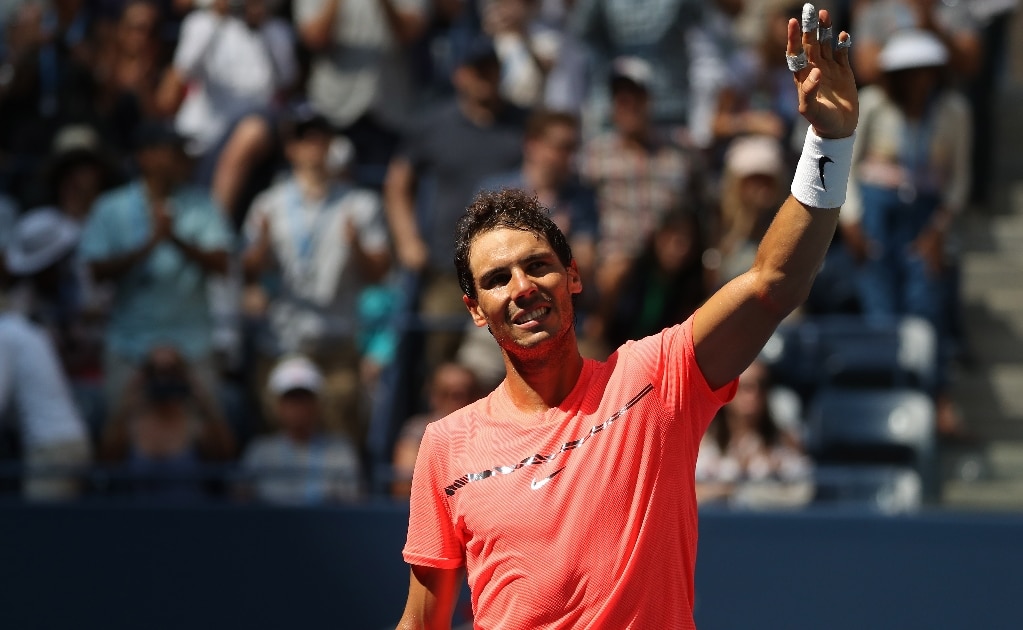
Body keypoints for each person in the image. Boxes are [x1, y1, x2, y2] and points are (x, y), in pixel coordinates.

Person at [396, 6, 857, 626]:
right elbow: (421, 621)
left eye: (538, 266)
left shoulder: (655, 379)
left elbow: (775, 281)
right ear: (475, 311)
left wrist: (829, 144)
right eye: (497, 280)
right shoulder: (445, 447)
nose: (522, 287)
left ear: (574, 276)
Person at [840, 28, 972, 436]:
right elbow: (847, 164)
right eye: (910, 72)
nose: (919, 80)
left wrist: (939, 229)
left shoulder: (954, 110)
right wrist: (853, 221)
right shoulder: (874, 105)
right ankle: (891, 401)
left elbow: (959, 179)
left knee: (926, 307)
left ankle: (935, 398)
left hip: (924, 219)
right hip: (877, 215)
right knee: (881, 311)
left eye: (926, 71)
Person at [241, 106, 391, 444]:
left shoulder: (359, 204)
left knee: (342, 434)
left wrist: (357, 248)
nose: (310, 145)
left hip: (336, 341)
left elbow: (380, 272)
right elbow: (246, 271)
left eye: (317, 137)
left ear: (329, 143)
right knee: (279, 437)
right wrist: (260, 251)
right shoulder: (269, 205)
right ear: (289, 148)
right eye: (301, 138)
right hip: (283, 341)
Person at [78, 119, 234, 415]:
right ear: (144, 157)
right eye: (171, 150)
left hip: (193, 342)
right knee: (121, 437)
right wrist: (148, 245)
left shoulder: (203, 204)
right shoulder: (111, 207)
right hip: (129, 342)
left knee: (208, 435)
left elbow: (223, 264)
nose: (180, 157)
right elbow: (96, 271)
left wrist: (174, 239)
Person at [0, 209, 92, 500]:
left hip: (53, 450)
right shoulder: (22, 325)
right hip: (69, 441)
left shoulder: (7, 331)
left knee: (44, 537)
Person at [100, 344, 236, 500]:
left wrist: (205, 404)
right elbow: (106, 463)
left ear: (184, 375)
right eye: (155, 371)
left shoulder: (197, 425)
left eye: (171, 371)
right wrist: (125, 406)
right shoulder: (131, 424)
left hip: (190, 516)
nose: (163, 379)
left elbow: (227, 459)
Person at [238, 354, 362, 505]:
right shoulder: (259, 451)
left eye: (304, 398)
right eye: (290, 398)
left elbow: (352, 505)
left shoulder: (340, 451)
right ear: (277, 405)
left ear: (318, 403)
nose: (298, 407)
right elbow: (240, 501)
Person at [695, 359, 813, 508]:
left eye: (761, 386)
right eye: (745, 387)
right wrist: (723, 491)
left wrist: (752, 493)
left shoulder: (786, 441)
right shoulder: (701, 440)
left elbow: (802, 492)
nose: (753, 395)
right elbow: (683, 493)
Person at [390, 361, 481, 498]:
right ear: (433, 396)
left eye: (465, 393)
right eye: (446, 393)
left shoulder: (488, 432)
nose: (457, 401)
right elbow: (403, 486)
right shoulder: (417, 429)